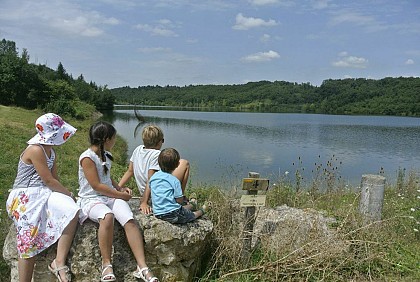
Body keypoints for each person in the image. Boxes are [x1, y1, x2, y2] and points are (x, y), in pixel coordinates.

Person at [76, 121, 158, 282]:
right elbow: (96, 186)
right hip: (91, 198)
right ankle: (106, 264)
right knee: (107, 217)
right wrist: (119, 195)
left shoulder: (106, 154)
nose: (115, 141)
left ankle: (142, 266)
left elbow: (106, 179)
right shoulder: (87, 158)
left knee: (129, 220)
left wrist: (119, 189)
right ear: (106, 139)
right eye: (113, 138)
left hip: (109, 197)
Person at [6, 113, 80, 282]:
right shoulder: (35, 149)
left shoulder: (50, 152)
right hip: (25, 195)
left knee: (72, 210)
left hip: (44, 192)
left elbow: (53, 180)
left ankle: (58, 261)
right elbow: (48, 180)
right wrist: (68, 193)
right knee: (28, 240)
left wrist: (66, 197)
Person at [118, 125, 190, 215]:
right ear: (159, 142)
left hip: (144, 191)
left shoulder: (138, 149)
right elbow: (151, 179)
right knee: (184, 163)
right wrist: (144, 202)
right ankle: (179, 198)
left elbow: (130, 171)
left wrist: (118, 187)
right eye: (162, 140)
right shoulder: (156, 154)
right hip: (155, 194)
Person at [149, 148, 210, 224]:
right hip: (172, 215)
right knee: (191, 215)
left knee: (177, 209)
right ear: (177, 165)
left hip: (158, 213)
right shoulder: (174, 181)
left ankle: (192, 205)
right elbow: (179, 201)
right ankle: (202, 211)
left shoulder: (153, 177)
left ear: (159, 162)